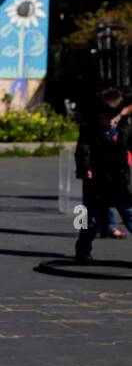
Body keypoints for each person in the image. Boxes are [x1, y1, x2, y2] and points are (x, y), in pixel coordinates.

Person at [74, 87, 132, 261]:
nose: (111, 121)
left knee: (129, 214)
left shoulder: (123, 127)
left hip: (120, 180)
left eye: (115, 117)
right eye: (107, 117)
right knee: (90, 220)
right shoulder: (89, 129)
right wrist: (85, 168)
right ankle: (83, 249)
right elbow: (83, 150)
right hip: (97, 181)